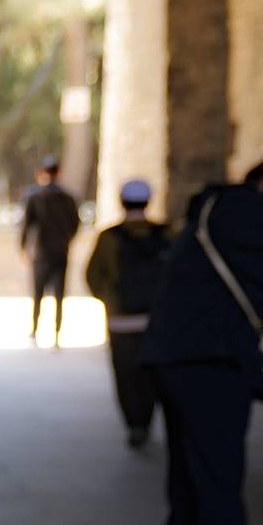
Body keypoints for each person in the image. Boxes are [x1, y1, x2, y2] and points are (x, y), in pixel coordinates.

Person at [140, 139, 263, 525]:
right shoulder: (249, 214)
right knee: (217, 477)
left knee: (192, 475)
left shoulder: (223, 206)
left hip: (179, 357)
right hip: (208, 362)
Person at [84, 178, 172, 447]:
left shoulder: (109, 237)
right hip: (157, 321)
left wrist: (111, 301)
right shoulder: (166, 235)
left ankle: (136, 424)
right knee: (154, 374)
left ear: (122, 201)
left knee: (126, 375)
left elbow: (93, 276)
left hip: (121, 321)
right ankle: (151, 418)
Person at [20, 156, 82, 347]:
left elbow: (27, 225)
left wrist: (24, 247)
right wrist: (66, 240)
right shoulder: (68, 198)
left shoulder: (36, 197)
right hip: (60, 250)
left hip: (41, 251)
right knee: (59, 294)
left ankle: (35, 330)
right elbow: (75, 224)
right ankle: (56, 334)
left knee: (38, 293)